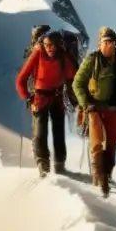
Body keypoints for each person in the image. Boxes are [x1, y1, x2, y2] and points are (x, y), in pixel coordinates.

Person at [72, 26, 116, 197]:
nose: (110, 45)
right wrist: (84, 103)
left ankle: (107, 174)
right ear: (100, 43)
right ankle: (98, 177)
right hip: (94, 106)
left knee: (113, 140)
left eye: (112, 42)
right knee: (97, 141)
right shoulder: (91, 60)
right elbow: (77, 83)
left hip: (113, 106)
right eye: (106, 42)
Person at [15, 30, 78, 177]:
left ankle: (59, 164)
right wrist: (28, 98)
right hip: (40, 99)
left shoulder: (64, 57)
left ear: (57, 45)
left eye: (51, 45)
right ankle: (43, 165)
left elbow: (74, 78)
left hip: (56, 98)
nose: (48, 48)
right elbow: (21, 79)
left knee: (58, 133)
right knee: (40, 133)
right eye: (46, 45)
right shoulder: (38, 54)